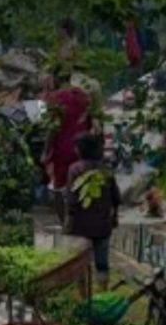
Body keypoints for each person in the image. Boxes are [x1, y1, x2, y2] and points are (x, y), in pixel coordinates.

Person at [65, 133, 121, 288]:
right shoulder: (105, 170)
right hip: (102, 225)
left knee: (80, 263)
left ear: (81, 150)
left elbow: (71, 199)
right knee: (102, 263)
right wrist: (115, 217)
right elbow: (116, 197)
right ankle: (103, 293)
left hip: (80, 226)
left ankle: (83, 298)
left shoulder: (75, 169)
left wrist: (69, 223)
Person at [42, 73, 92, 219]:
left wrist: (46, 150)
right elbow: (91, 125)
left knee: (59, 187)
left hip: (62, 150)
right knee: (82, 185)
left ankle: (65, 223)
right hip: (82, 150)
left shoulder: (55, 99)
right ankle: (81, 219)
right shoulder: (85, 97)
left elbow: (52, 128)